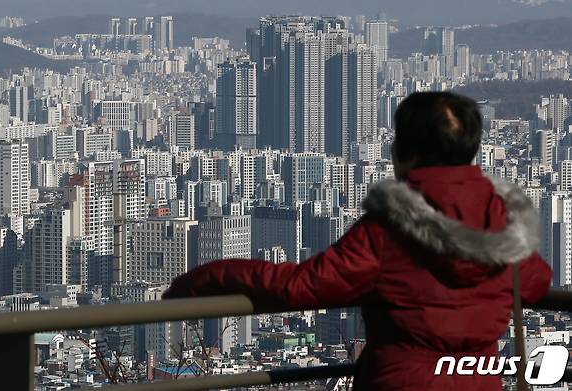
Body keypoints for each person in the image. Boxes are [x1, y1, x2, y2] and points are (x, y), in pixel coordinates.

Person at [162, 91, 552, 390]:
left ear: (404, 153)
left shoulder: (391, 230)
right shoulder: (504, 225)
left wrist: (202, 279)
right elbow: (535, 282)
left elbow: (301, 286)